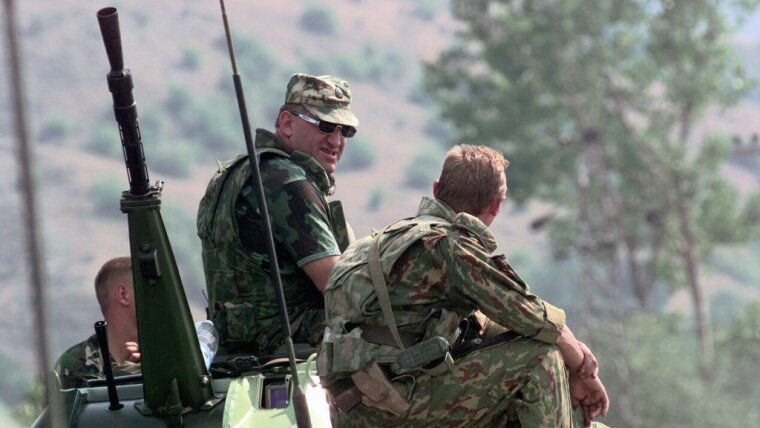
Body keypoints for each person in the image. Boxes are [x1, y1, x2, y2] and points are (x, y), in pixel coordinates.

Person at [318, 145, 610, 427]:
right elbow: (531, 316)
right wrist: (582, 364)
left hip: (354, 408)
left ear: (436, 188)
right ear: (496, 205)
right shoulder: (447, 245)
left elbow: (495, 322)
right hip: (393, 406)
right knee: (539, 358)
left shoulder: (377, 243)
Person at [197, 73, 359, 356]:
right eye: (326, 126)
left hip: (234, 341)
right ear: (287, 123)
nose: (336, 141)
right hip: (285, 341)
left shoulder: (237, 172)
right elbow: (340, 288)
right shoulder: (289, 182)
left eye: (345, 131)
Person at [53, 256, 141, 389]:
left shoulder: (167, 357)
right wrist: (123, 381)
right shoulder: (75, 365)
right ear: (123, 295)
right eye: (149, 290)